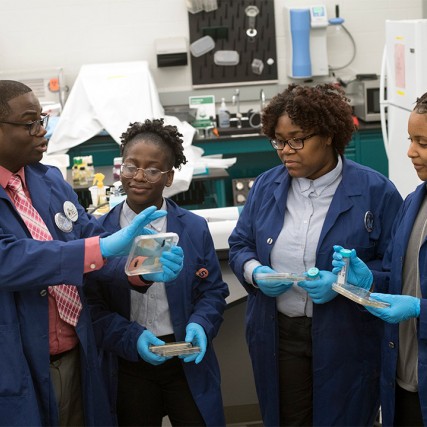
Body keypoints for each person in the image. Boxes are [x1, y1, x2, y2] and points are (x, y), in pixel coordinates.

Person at [0, 79, 183, 426]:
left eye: (43, 119)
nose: (43, 131)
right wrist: (103, 247)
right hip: (18, 363)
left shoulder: (49, 180)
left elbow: (93, 248)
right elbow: (10, 259)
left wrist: (139, 270)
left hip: (76, 355)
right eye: (30, 123)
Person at [227, 83, 403, 426]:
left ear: (328, 135)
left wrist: (346, 284)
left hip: (347, 335)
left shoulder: (375, 191)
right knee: (288, 418)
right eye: (279, 140)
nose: (286, 151)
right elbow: (240, 245)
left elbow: (397, 269)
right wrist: (255, 272)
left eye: (297, 139)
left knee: (345, 418)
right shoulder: (267, 186)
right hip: (281, 334)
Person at [85, 118, 229, 427]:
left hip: (185, 360)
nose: (138, 177)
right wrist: (129, 337)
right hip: (128, 365)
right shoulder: (100, 234)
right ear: (118, 168)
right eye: (130, 166)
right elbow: (91, 309)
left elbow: (213, 292)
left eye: (152, 170)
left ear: (169, 177)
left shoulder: (192, 228)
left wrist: (201, 325)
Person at [331, 91, 427, 426]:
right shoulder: (415, 203)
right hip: (405, 380)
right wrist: (370, 281)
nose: (410, 152)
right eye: (411, 139)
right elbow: (403, 282)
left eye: (423, 143)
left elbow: (413, 301)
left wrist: (420, 309)